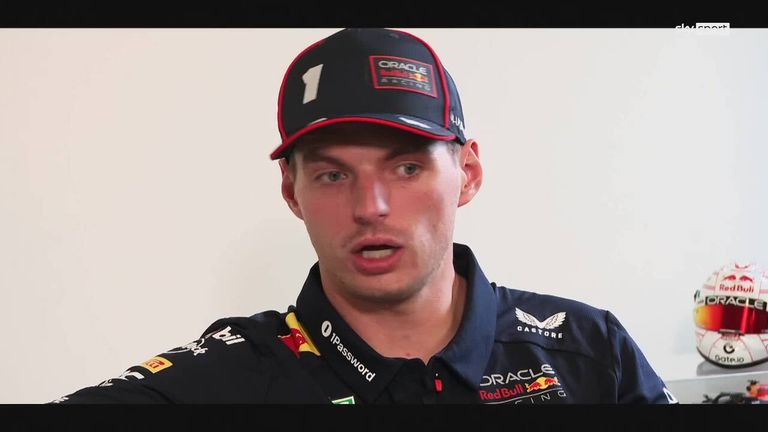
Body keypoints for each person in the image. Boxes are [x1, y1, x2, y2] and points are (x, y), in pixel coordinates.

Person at [51, 28, 676, 404]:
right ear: (292, 192)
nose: (369, 207)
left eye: (406, 168)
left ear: (468, 174)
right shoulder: (231, 375)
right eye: (333, 175)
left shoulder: (592, 353)